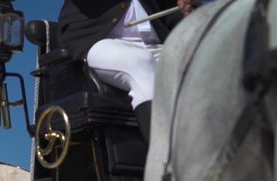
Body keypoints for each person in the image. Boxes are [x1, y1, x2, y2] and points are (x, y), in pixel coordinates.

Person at [57, 0, 202, 142]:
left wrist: (190, 12)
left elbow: (172, 14)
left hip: (156, 44)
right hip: (99, 40)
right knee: (140, 61)